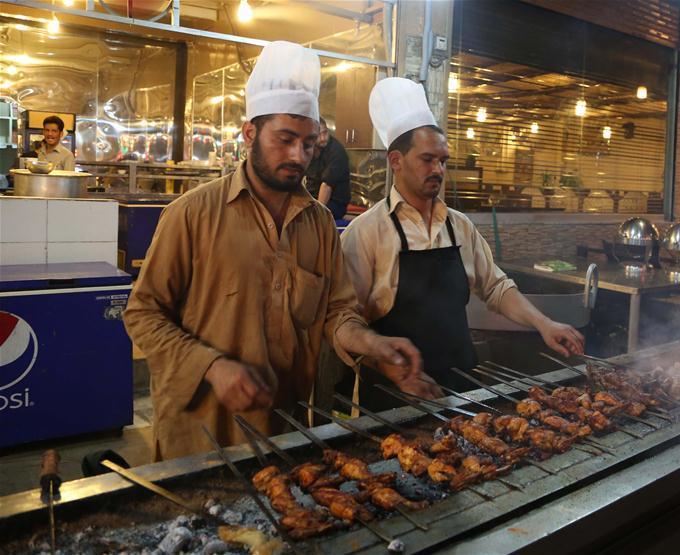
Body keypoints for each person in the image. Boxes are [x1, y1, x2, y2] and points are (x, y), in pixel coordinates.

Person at [123, 43, 436, 461]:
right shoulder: (192, 214)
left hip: (283, 431)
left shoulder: (320, 224)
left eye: (308, 145)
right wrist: (211, 366)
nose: (298, 156)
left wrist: (372, 345)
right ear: (249, 133)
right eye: (284, 140)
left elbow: (336, 313)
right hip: (199, 434)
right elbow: (143, 314)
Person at [340, 77, 584, 407]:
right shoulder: (365, 233)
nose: (438, 170)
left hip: (461, 389)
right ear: (395, 160)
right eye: (427, 159)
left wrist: (544, 323)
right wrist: (388, 365)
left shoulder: (459, 226)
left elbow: (496, 287)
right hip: (391, 397)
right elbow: (345, 323)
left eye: (443, 161)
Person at [304, 117, 351, 220]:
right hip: (313, 198)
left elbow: (326, 186)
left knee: (309, 219)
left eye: (325, 133)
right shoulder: (309, 148)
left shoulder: (336, 151)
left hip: (334, 203)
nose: (323, 138)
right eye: (318, 135)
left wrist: (318, 216)